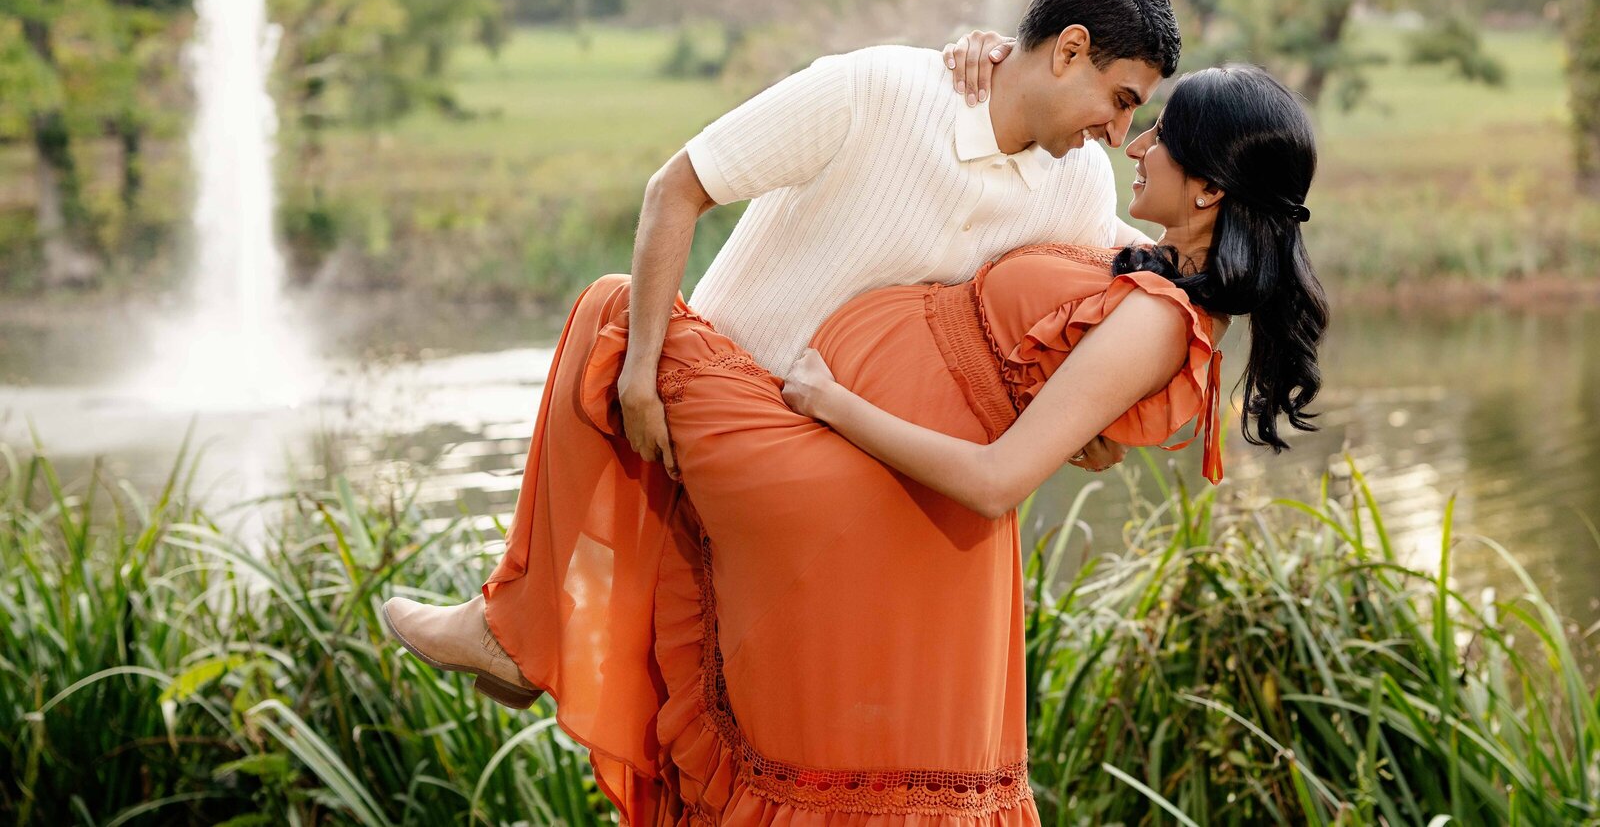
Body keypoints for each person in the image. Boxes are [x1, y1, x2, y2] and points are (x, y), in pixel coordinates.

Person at [381, 64, 1328, 826]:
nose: (1137, 138)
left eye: (1160, 131)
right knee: (798, 737)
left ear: (1207, 187)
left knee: (621, 315)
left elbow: (1002, 480)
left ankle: (517, 631)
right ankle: (524, 629)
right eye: (1130, 109)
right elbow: (1069, 377)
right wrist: (997, 66)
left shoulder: (1160, 322)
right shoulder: (1137, 265)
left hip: (846, 470)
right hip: (869, 503)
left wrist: (837, 405)